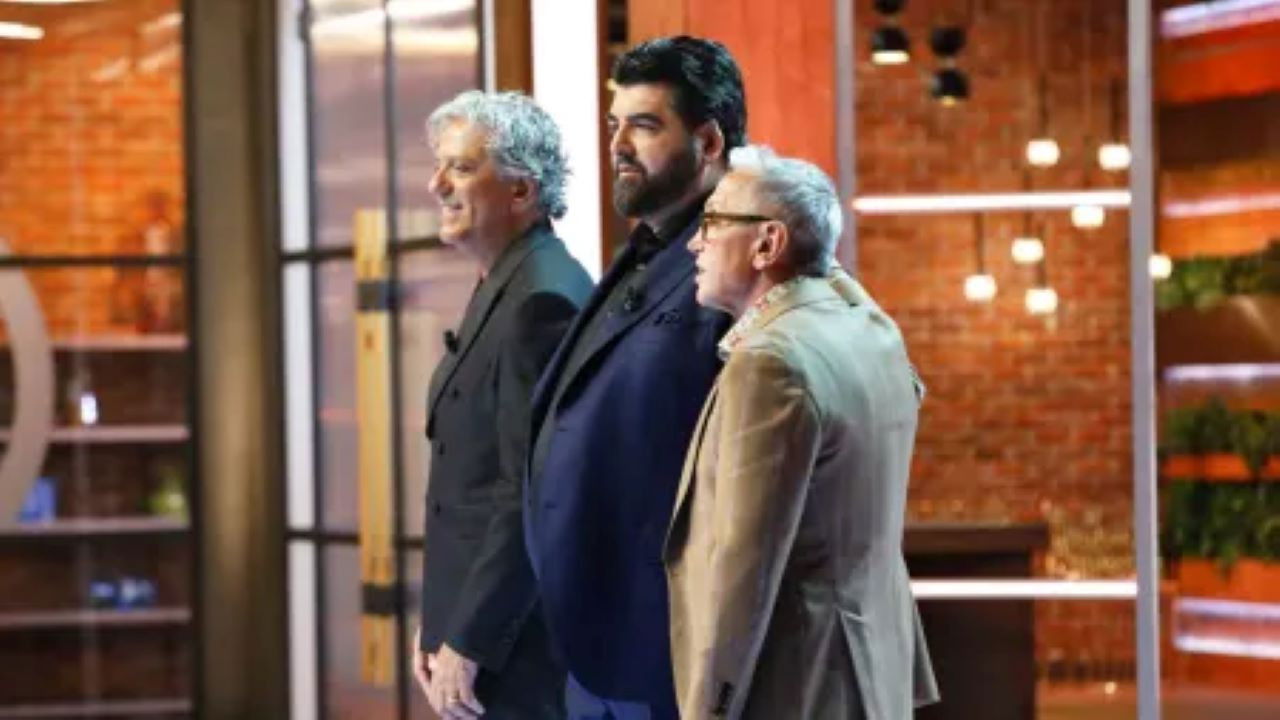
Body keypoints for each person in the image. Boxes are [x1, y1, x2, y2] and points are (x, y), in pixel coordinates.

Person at [666, 145, 939, 719]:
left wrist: (709, 708)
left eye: (712, 223)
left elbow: (745, 568)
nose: (695, 243)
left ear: (768, 243)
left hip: (799, 684)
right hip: (869, 671)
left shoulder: (770, 363)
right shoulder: (870, 330)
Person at [523, 36, 745, 719]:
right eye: (614, 123)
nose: (618, 145)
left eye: (644, 126)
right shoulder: (643, 250)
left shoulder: (739, 265)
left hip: (668, 656)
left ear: (708, 142)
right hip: (590, 655)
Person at [414, 90, 593, 720]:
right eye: (440, 165)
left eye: (461, 168)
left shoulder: (542, 298)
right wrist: (439, 617)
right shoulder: (506, 279)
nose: (437, 184)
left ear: (522, 190)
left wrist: (469, 639)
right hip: (482, 637)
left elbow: (530, 492)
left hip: (514, 653)